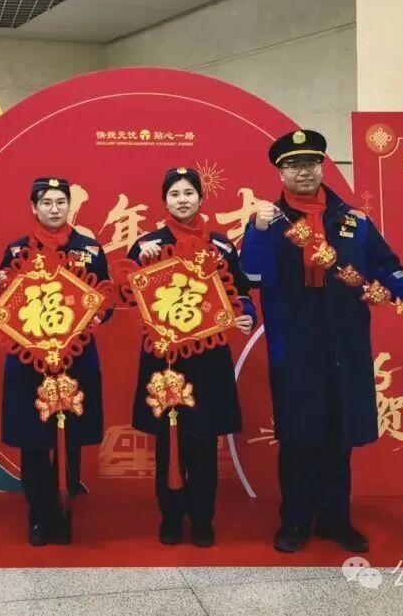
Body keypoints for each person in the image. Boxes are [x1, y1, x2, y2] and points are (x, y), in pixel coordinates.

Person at [240, 128, 403, 554]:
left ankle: (335, 520)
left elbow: (389, 267)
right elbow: (251, 275)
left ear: (322, 166)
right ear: (280, 172)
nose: (304, 171)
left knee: (339, 437)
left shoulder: (354, 221)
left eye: (311, 163)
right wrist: (256, 231)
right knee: (298, 438)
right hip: (294, 350)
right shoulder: (268, 222)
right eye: (294, 165)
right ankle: (295, 522)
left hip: (345, 348)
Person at [127, 167, 256, 548]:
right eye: (174, 194)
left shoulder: (221, 246)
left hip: (208, 357)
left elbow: (241, 293)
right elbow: (126, 294)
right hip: (165, 359)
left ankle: (202, 519)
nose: (182, 200)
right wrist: (140, 264)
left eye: (188, 193)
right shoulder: (147, 244)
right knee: (168, 443)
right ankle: (170, 518)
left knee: (203, 441)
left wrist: (247, 315)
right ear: (164, 201)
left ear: (200, 198)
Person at [0, 177, 113, 546]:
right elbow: (0, 297)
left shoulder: (89, 249)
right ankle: (37, 514)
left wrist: (99, 312)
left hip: (76, 359)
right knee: (33, 440)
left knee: (70, 438)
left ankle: (63, 510)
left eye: (61, 201)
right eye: (46, 202)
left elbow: (107, 295)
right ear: (34, 207)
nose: (55, 208)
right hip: (30, 360)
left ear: (69, 206)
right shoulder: (18, 250)